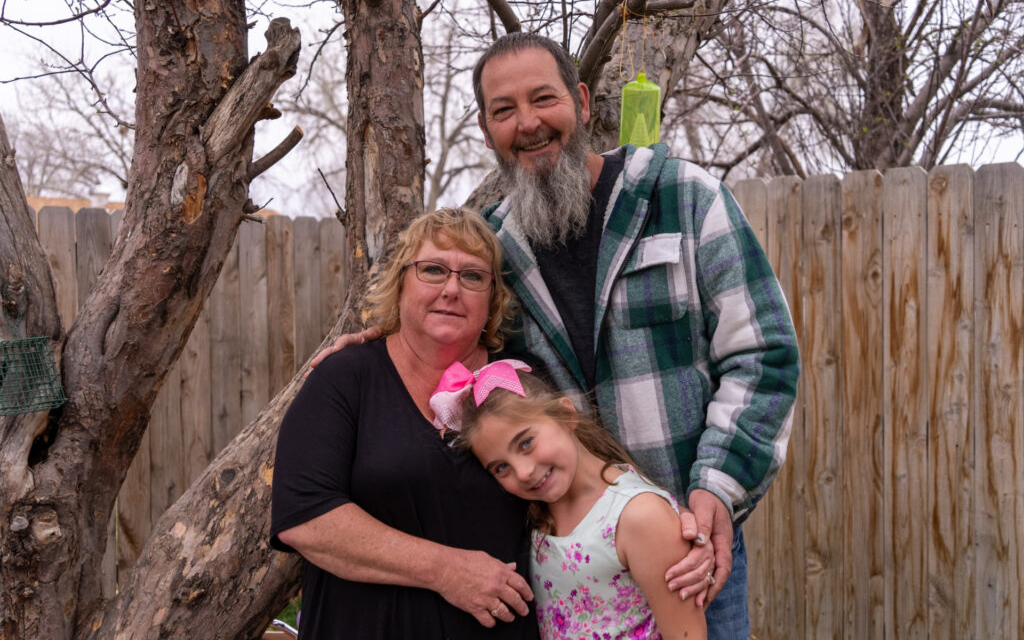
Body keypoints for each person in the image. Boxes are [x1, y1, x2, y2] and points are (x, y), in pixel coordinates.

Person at [314, 32, 800, 638]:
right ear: (488, 131)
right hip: (567, 567)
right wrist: (379, 348)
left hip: (683, 549)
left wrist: (717, 490)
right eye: (503, 111)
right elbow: (458, 343)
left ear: (583, 102)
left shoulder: (683, 199)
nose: (528, 124)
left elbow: (764, 355)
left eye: (543, 99)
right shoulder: (496, 251)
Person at [270, 208, 540, 639]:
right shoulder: (345, 379)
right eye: (432, 270)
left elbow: (576, 487)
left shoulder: (521, 380)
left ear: (492, 300)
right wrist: (448, 571)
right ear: (399, 285)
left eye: (473, 276)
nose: (452, 289)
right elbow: (306, 517)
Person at [440, 360, 707, 640]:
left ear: (567, 416)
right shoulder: (534, 514)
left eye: (526, 443)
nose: (524, 472)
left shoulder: (639, 516)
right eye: (501, 467)